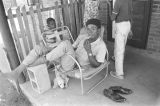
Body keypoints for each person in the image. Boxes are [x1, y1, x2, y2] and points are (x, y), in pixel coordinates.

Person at [3, 18, 107, 82]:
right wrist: (57, 47)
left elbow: (97, 65)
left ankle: (42, 60)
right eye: (88, 28)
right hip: (68, 57)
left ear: (99, 30)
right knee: (40, 47)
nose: (89, 31)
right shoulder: (83, 36)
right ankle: (18, 71)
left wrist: (88, 51)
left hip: (74, 65)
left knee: (65, 43)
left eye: (93, 28)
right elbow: (73, 46)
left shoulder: (101, 46)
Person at [109, 0, 133, 79]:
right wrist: (130, 29)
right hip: (127, 25)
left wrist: (109, 6)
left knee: (120, 50)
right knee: (120, 45)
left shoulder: (118, 2)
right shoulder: (129, 1)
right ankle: (115, 58)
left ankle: (119, 74)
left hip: (121, 26)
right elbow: (131, 15)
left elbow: (112, 18)